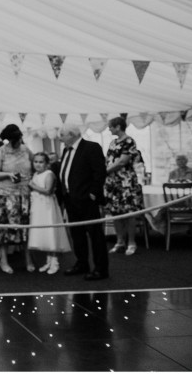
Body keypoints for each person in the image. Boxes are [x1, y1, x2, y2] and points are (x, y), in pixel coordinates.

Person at [57, 124, 108, 281]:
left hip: (87, 199)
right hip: (70, 199)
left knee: (95, 235)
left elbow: (99, 172)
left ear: (72, 135)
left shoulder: (91, 147)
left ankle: (101, 269)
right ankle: (82, 263)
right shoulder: (66, 149)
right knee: (76, 234)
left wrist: (92, 194)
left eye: (63, 135)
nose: (61, 138)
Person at [0, 124, 34, 274]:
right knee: (4, 228)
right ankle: (4, 260)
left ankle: (28, 259)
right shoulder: (0, 152)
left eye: (20, 138)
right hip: (6, 195)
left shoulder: (26, 150)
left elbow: (36, 166)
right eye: (17, 139)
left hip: (25, 195)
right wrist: (8, 175)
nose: (20, 141)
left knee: (26, 229)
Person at [104, 117, 145, 256]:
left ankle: (132, 242)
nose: (109, 129)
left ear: (118, 127)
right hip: (113, 182)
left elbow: (122, 162)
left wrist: (106, 171)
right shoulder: (112, 143)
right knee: (115, 213)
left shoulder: (129, 141)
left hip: (126, 182)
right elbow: (108, 160)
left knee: (129, 213)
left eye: (111, 127)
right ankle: (119, 241)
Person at [27, 152, 72, 274]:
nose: (38, 164)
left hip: (47, 206)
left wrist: (32, 186)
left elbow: (47, 190)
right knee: (44, 233)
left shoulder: (49, 174)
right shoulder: (36, 174)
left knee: (51, 231)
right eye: (35, 162)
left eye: (41, 162)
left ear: (47, 164)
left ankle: (55, 261)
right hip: (38, 206)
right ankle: (48, 260)